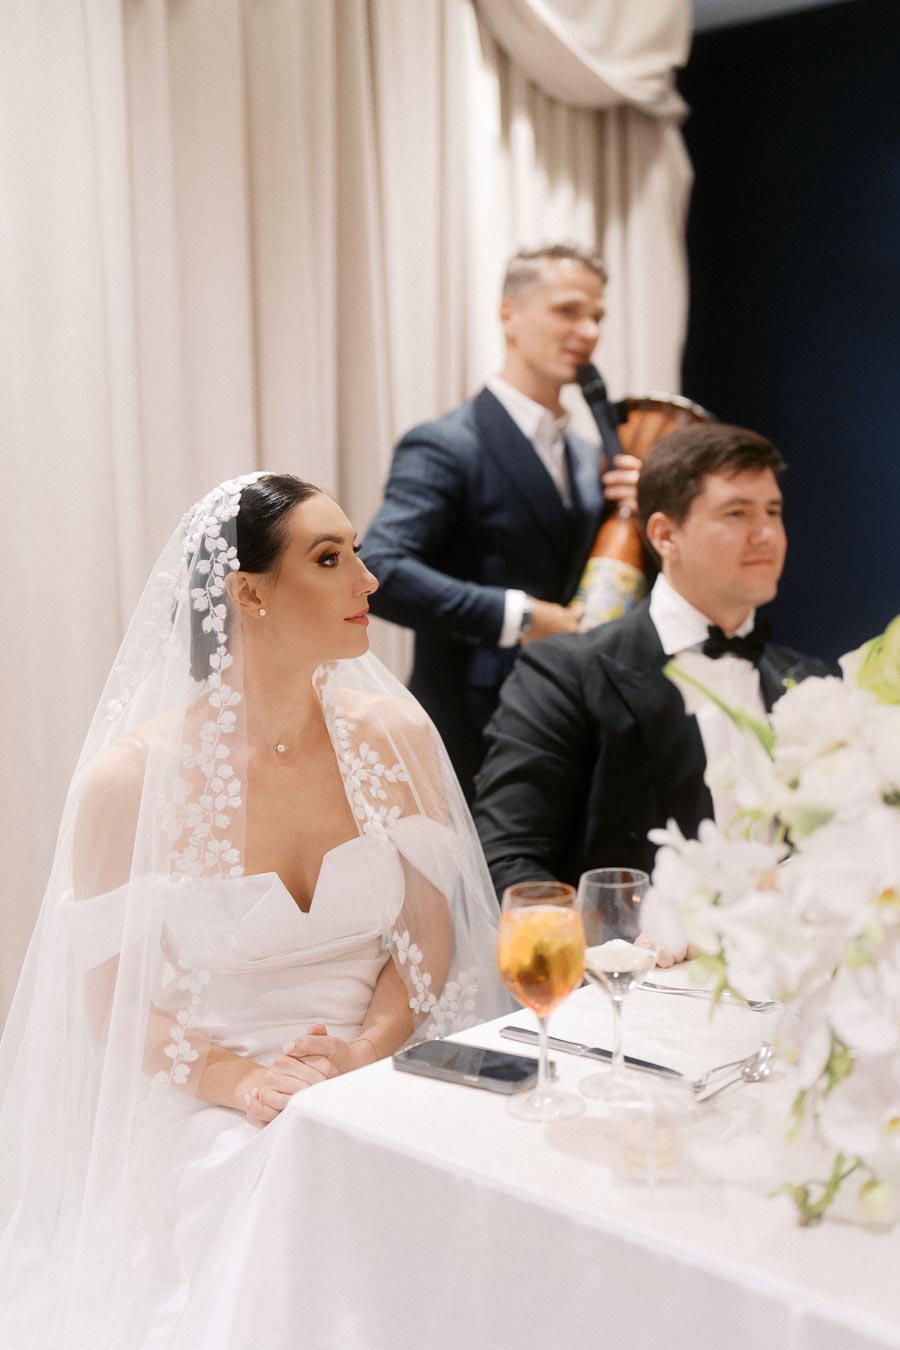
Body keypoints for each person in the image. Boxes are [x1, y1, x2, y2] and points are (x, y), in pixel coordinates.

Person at [0, 473, 508, 1347]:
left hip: (377, 1072)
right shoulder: (130, 782)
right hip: (213, 1105)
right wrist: (248, 1084)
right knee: (286, 1208)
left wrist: (363, 1054)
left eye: (356, 553)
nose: (369, 579)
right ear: (249, 593)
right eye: (329, 558)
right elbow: (110, 1001)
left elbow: (426, 944)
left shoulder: (397, 739)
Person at [472, 422, 831, 909]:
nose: (766, 534)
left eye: (773, 511)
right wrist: (616, 945)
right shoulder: (564, 673)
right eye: (737, 513)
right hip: (628, 956)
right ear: (664, 535)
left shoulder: (808, 682)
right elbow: (507, 862)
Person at [362, 244, 642, 799]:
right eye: (567, 311)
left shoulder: (590, 456)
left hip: (575, 725)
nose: (589, 331)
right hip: (473, 732)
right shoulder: (446, 444)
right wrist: (523, 616)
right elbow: (380, 569)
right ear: (508, 315)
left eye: (597, 316)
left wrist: (644, 520)